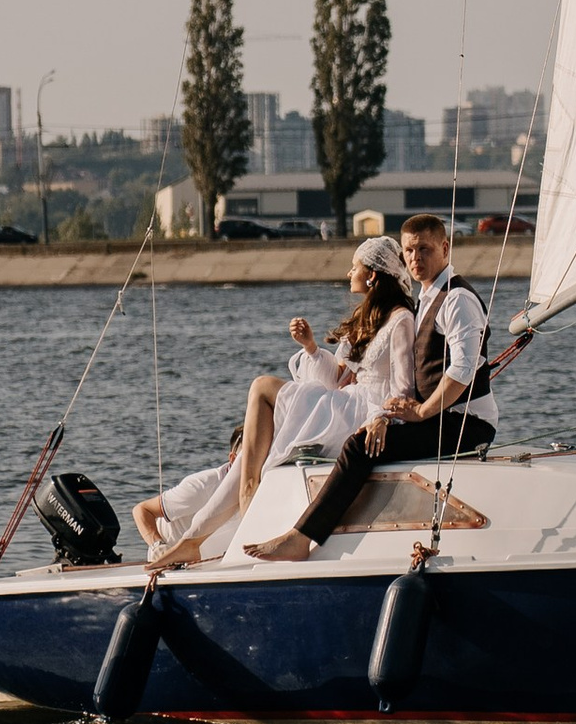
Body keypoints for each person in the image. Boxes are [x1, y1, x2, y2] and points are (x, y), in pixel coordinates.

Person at [134, 241, 417, 572]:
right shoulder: (366, 317)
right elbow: (334, 379)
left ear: (371, 275)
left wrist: (381, 418)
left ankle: (242, 506)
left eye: (354, 267)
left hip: (365, 411)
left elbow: (403, 387)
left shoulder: (401, 320)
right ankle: (193, 540)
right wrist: (310, 347)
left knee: (262, 388)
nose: (348, 273)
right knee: (249, 452)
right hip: (344, 404)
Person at [244, 212, 507, 559]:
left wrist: (421, 412)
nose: (416, 258)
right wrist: (389, 413)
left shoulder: (457, 299)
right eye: (409, 251)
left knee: (360, 446)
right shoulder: (427, 296)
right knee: (364, 435)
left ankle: (301, 539)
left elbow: (463, 368)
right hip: (438, 416)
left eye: (425, 249)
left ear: (445, 248)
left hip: (466, 424)